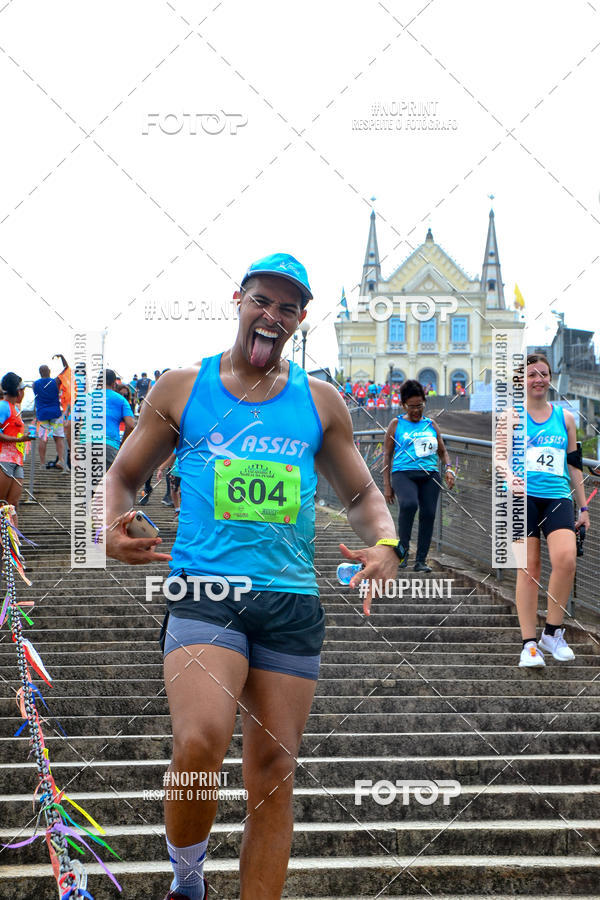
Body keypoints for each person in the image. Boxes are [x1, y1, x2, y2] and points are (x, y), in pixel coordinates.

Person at [104, 251, 403, 900]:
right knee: (200, 741)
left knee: (273, 772)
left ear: (301, 320)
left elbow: (361, 496)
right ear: (238, 299)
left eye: (289, 307)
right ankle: (187, 882)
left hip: (291, 600)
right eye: (263, 300)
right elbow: (124, 476)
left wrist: (385, 543)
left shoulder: (320, 402)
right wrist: (112, 522)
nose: (274, 315)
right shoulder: (182, 388)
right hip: (206, 592)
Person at [513, 354, 589, 668]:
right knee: (529, 569)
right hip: (521, 498)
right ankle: (529, 644)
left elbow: (574, 464)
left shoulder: (565, 418)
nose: (539, 379)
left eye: (543, 374)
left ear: (550, 378)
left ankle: (552, 632)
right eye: (532, 375)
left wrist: (583, 507)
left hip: (558, 495)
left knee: (566, 559)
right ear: (522, 381)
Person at [383, 379, 455, 571]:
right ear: (403, 405)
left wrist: (448, 468)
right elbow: (387, 455)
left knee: (429, 514)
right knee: (409, 504)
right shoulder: (396, 424)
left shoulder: (431, 424)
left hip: (429, 475)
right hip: (403, 473)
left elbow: (442, 451)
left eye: (420, 406)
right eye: (412, 407)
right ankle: (403, 553)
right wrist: (387, 485)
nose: (416, 411)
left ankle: (421, 561)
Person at [0, 373, 36, 527]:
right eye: (22, 389)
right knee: (2, 504)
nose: (23, 393)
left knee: (12, 505)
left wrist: (25, 439)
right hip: (3, 459)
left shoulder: (15, 408)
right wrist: (19, 440)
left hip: (17, 461)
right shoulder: (3, 406)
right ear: (17, 390)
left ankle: (12, 546)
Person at [33, 364, 66, 469]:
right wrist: (62, 358)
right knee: (58, 438)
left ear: (40, 372)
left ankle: (42, 463)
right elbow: (66, 370)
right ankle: (61, 460)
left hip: (42, 415)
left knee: (43, 439)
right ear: (49, 371)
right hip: (55, 414)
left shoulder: (35, 384)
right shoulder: (55, 382)